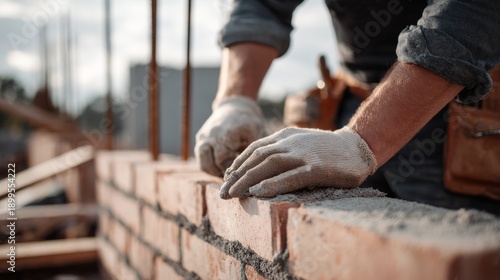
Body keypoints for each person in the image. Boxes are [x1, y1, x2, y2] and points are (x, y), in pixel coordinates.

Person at [194, 0, 500, 214]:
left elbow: (470, 12)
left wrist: (363, 143)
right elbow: (262, 5)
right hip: (352, 113)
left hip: (461, 119)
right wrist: (236, 100)